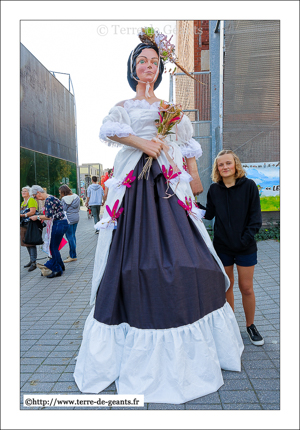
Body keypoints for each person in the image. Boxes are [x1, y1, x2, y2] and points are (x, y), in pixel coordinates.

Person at [73, 34, 244, 404]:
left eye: (153, 61)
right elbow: (108, 130)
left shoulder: (171, 108)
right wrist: (143, 143)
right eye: (141, 61)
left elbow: (185, 147)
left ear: (160, 69)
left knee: (190, 256)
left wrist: (194, 176)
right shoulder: (123, 105)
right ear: (133, 68)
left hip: (167, 183)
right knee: (132, 258)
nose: (147, 66)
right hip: (136, 183)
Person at [200, 149, 264, 346]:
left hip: (245, 247)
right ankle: (230, 326)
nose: (225, 167)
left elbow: (255, 219)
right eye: (221, 164)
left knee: (246, 288)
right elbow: (209, 214)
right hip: (223, 247)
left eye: (228, 163)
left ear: (235, 164)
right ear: (217, 168)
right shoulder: (214, 190)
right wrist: (187, 204)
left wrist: (243, 240)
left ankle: (250, 325)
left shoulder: (249, 186)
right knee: (227, 286)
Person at [29, 185, 69, 278]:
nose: (37, 199)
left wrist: (37, 217)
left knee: (53, 247)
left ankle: (57, 269)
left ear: (38, 193)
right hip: (62, 223)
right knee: (54, 247)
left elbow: (48, 216)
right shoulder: (51, 197)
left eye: (35, 196)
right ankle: (60, 266)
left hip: (58, 224)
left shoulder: (48, 199)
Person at [59, 185, 80, 263]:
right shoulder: (76, 197)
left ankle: (73, 256)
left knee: (69, 237)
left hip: (68, 219)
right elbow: (77, 207)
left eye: (60, 192)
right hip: (76, 217)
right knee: (73, 236)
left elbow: (63, 209)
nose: (60, 194)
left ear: (63, 192)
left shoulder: (64, 199)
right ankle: (72, 253)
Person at [20, 186, 38, 271]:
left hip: (30, 224)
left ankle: (34, 262)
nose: (23, 192)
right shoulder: (23, 202)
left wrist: (23, 215)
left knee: (31, 243)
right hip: (24, 224)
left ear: (29, 193)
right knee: (26, 242)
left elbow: (33, 212)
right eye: (22, 191)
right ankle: (31, 260)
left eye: (25, 191)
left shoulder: (31, 200)